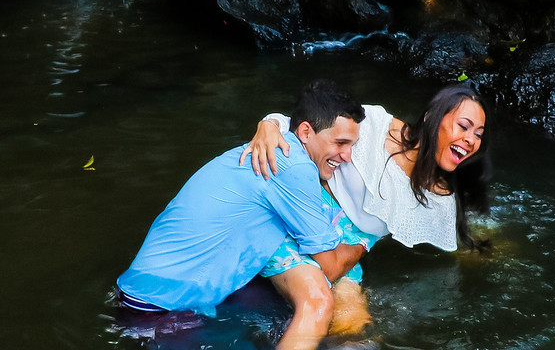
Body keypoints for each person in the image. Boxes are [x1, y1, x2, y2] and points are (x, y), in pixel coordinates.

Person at [116, 80, 369, 350]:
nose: (347, 156)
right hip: (158, 309)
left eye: (352, 145)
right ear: (306, 131)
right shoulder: (295, 168)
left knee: (265, 299)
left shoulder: (279, 149)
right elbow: (330, 266)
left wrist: (269, 123)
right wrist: (365, 240)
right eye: (340, 143)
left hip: (143, 292)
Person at [241, 83, 493, 337]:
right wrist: (269, 125)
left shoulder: (440, 202)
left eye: (479, 134)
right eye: (463, 126)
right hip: (302, 211)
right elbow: (309, 124)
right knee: (316, 303)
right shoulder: (377, 126)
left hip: (345, 251)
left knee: (355, 332)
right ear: (431, 117)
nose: (471, 140)